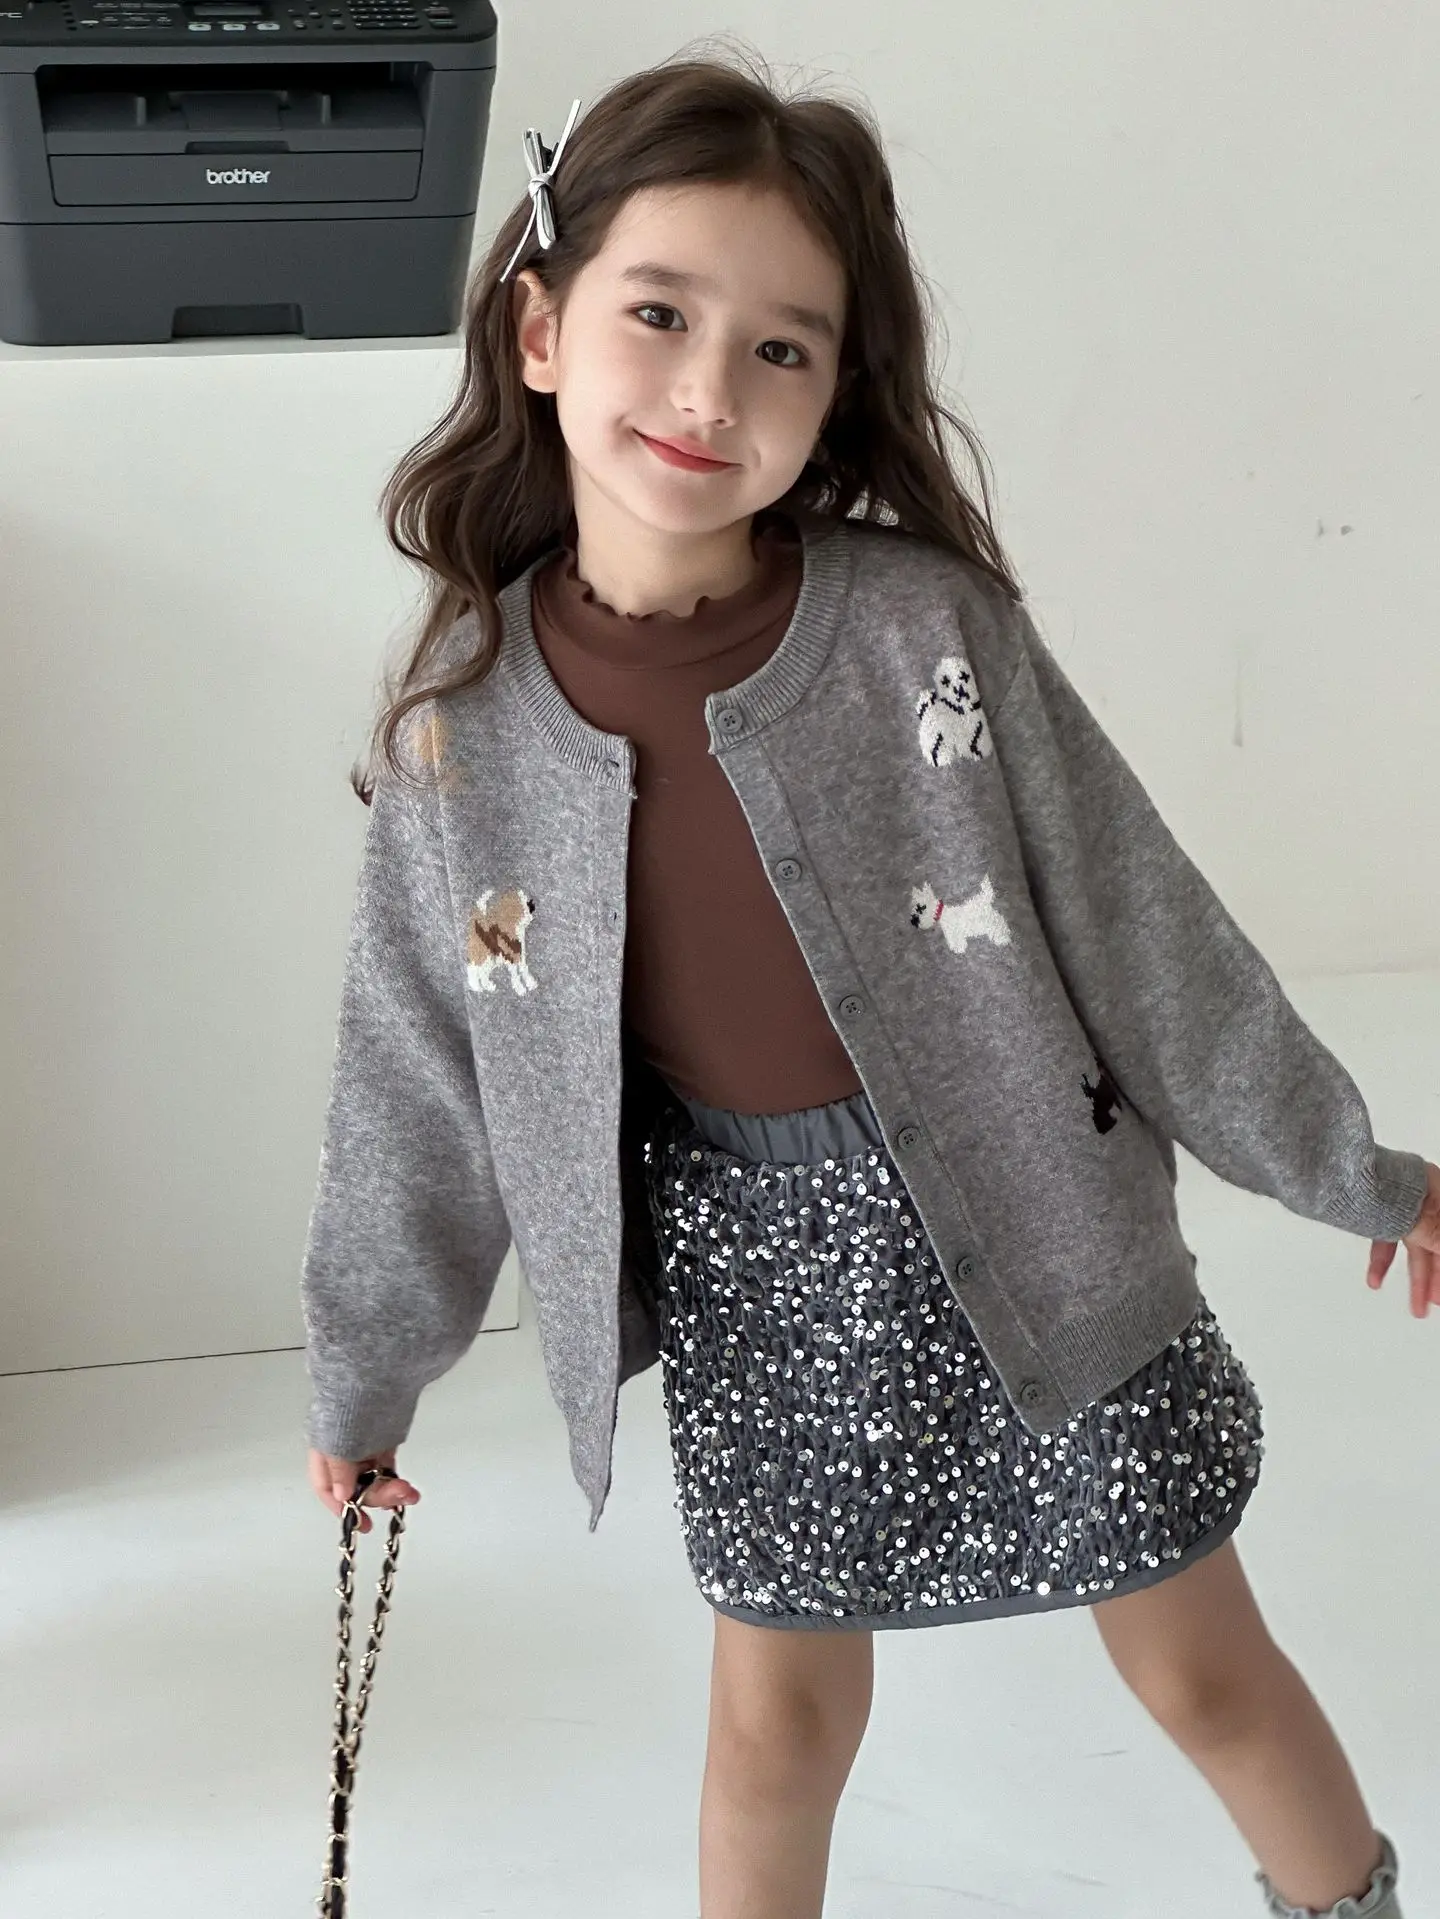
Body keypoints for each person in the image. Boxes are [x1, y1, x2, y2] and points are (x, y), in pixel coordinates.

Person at [298, 48, 1438, 1919]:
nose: (708, 388)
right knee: (775, 1728)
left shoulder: (928, 633)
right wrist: (365, 1372)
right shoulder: (463, 736)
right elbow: (417, 1083)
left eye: (781, 348)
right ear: (540, 329)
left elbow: (1140, 923)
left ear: (833, 397)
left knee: (1200, 1668)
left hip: (1044, 1218)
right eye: (659, 314)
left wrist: (1351, 1166)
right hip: (759, 1278)